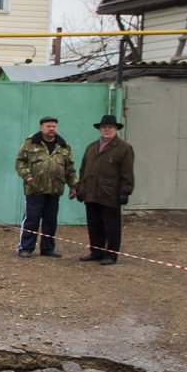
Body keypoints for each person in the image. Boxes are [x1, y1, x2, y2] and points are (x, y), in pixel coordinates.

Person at [72, 113, 134, 265]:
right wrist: (80, 188)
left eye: (110, 127)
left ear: (116, 129)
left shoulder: (124, 148)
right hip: (91, 193)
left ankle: (111, 255)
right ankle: (96, 252)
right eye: (104, 127)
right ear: (99, 129)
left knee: (111, 227)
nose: (107, 130)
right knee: (94, 225)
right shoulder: (91, 147)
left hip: (110, 194)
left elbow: (127, 173)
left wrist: (125, 191)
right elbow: (83, 170)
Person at [13, 115, 76, 257]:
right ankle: (25, 248)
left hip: (55, 189)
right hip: (34, 188)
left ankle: (48, 248)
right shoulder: (30, 143)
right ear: (41, 127)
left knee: (50, 221)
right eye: (48, 126)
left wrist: (73, 186)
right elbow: (19, 162)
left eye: (54, 126)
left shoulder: (64, 146)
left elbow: (69, 168)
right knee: (31, 219)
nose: (51, 129)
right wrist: (27, 176)